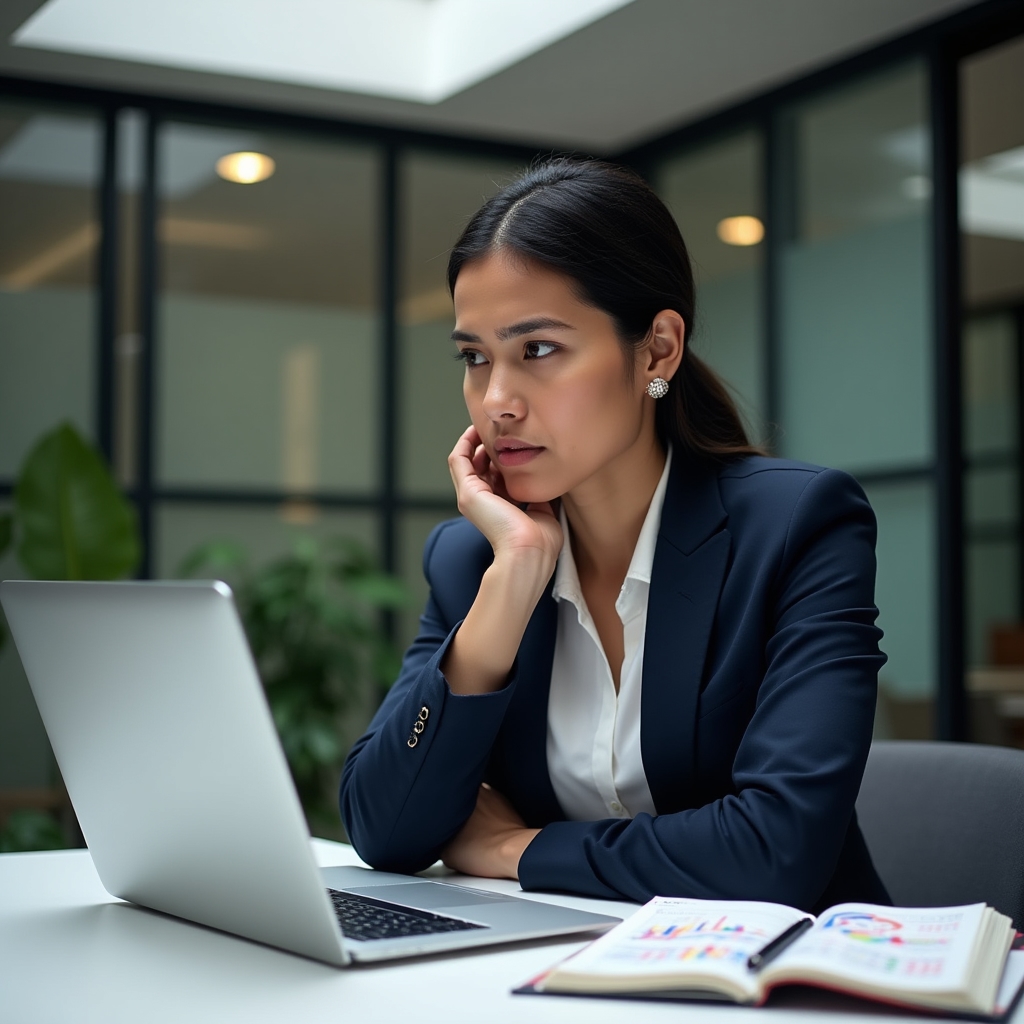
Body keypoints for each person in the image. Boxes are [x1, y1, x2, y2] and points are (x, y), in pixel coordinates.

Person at [340, 158, 890, 912]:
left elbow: (774, 852)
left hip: (793, 985)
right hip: (570, 973)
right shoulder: (476, 557)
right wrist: (513, 580)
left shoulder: (796, 527)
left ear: (657, 350)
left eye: (537, 350)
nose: (495, 401)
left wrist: (515, 848)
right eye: (475, 358)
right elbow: (386, 828)